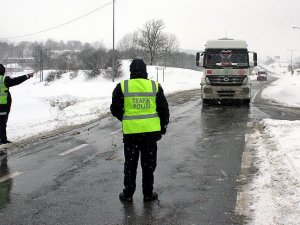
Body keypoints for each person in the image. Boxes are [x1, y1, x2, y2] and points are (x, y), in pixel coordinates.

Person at [110, 59, 169, 203]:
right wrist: (163, 127)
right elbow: (164, 109)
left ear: (131, 72)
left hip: (131, 135)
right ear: (145, 71)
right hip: (150, 135)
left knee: (130, 165)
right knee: (148, 165)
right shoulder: (154, 86)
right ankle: (148, 194)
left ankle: (128, 194)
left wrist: (124, 118)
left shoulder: (123, 87)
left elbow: (114, 108)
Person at [0, 64, 34, 148]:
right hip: (2, 106)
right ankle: (3, 140)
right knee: (2, 123)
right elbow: (16, 80)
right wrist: (27, 75)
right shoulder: (4, 79)